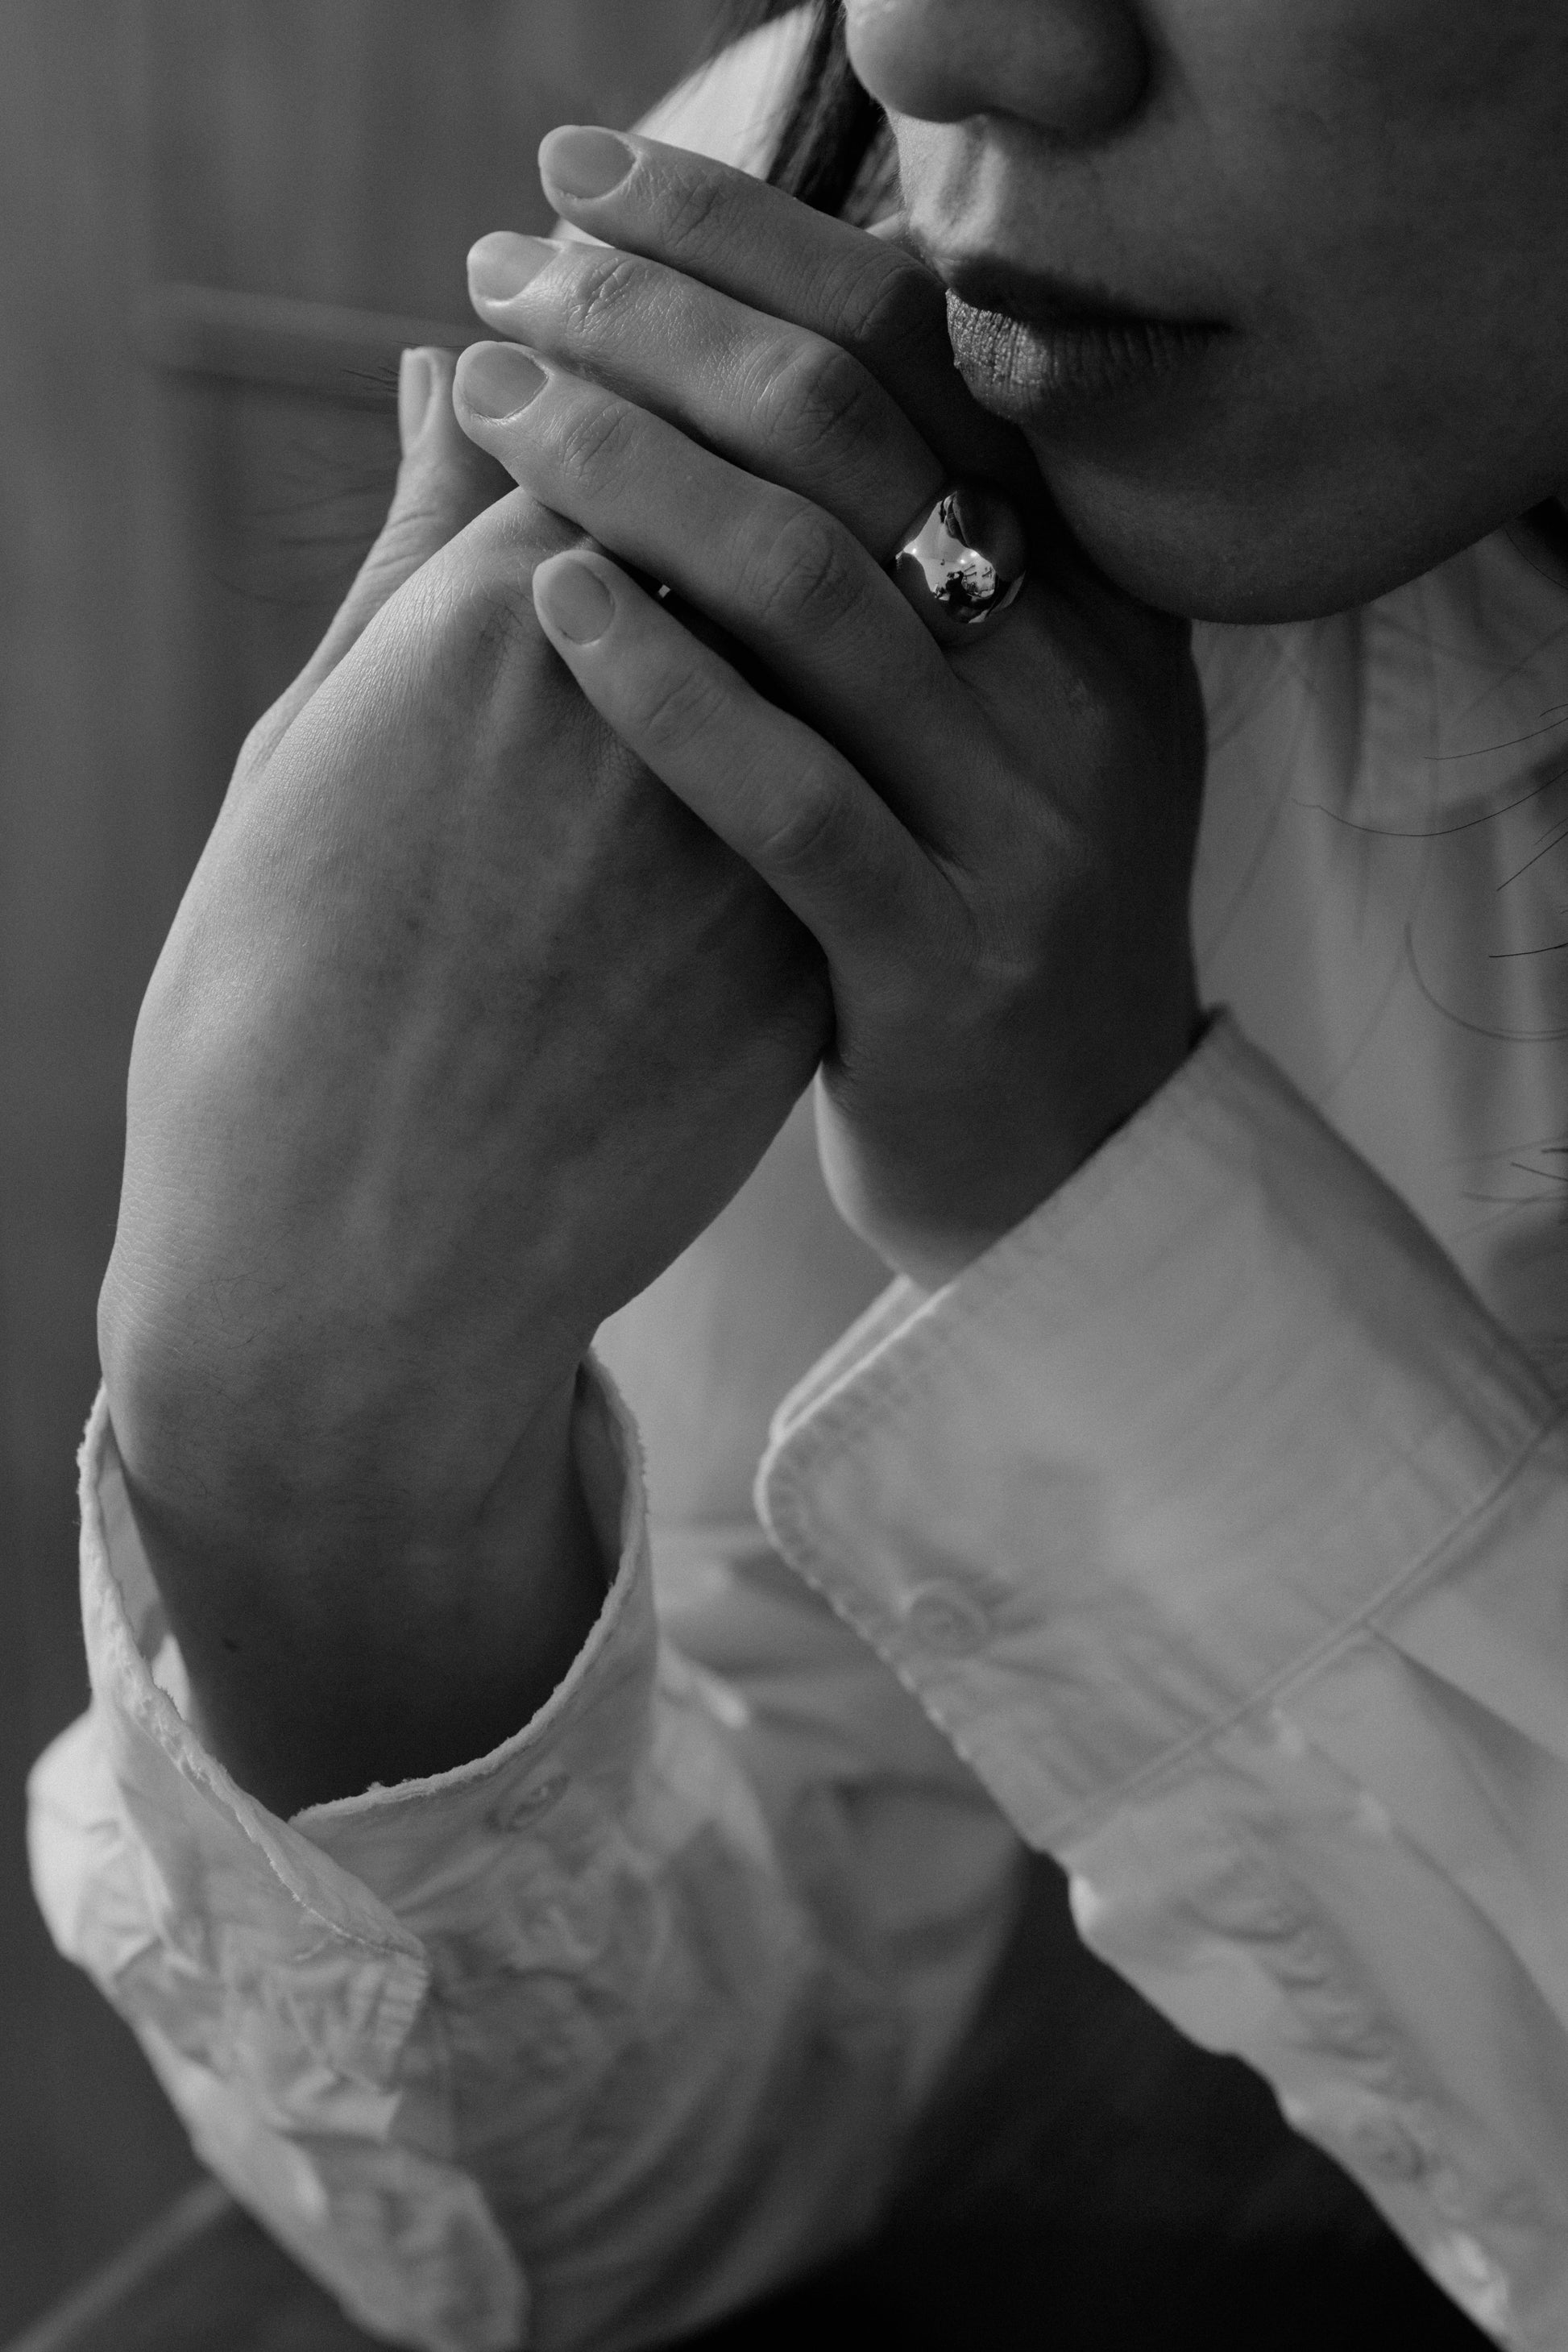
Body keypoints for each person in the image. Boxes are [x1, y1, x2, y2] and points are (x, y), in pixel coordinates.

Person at [25, 0, 1568, 2345]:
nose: (947, 36)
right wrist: (294, 1434)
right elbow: (636, 2201)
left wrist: (1095, 1199)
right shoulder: (854, 294)